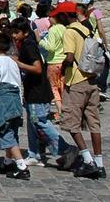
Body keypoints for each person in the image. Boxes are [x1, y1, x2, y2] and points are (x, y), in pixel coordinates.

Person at [9, 17, 71, 169]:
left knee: (40, 122)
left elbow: (37, 68)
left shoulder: (29, 45)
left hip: (38, 92)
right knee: (32, 123)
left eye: (17, 32)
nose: (14, 35)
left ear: (25, 32)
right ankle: (34, 153)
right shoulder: (23, 44)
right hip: (31, 90)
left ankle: (66, 149)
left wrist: (17, 63)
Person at [57, 0, 106, 179]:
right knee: (94, 123)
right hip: (91, 80)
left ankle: (87, 160)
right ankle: (100, 163)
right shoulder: (86, 28)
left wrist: (62, 68)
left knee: (71, 122)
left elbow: (70, 57)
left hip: (76, 81)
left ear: (64, 16)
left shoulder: (69, 32)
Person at [0, 32, 29, 179]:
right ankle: (7, 161)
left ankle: (21, 165)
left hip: (4, 99)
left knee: (5, 131)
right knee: (12, 130)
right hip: (15, 98)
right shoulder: (13, 62)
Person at [41, 6, 68, 118]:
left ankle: (60, 111)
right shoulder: (64, 28)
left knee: (54, 87)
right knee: (63, 86)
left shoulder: (53, 29)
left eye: (50, 17)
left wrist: (42, 42)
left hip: (53, 61)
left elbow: (51, 47)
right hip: (63, 61)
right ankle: (66, 109)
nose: (48, 19)